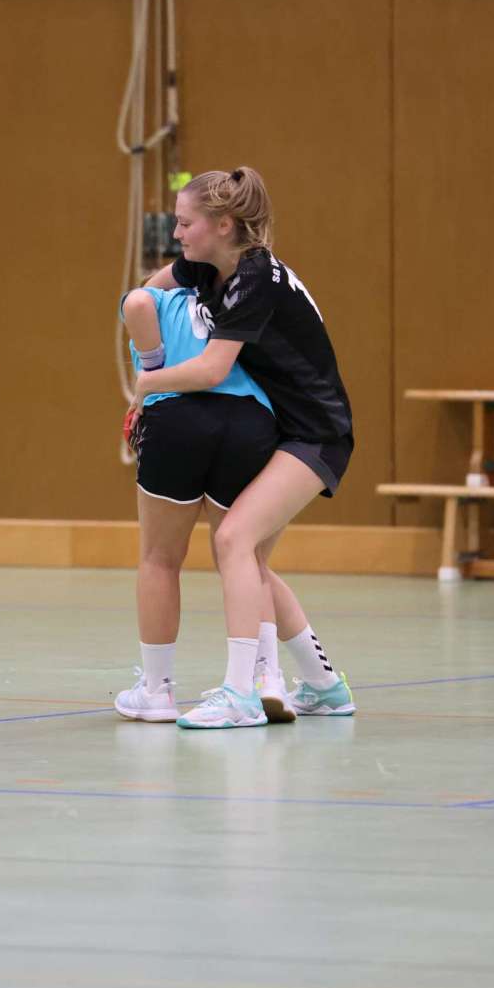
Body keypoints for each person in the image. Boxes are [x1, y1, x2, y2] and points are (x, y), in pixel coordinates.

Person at [136, 168, 353, 729]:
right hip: (285, 428)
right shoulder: (208, 263)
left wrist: (145, 384)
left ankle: (242, 695)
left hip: (316, 434)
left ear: (224, 225)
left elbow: (213, 369)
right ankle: (325, 685)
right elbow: (145, 296)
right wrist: (146, 327)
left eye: (185, 223)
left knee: (234, 540)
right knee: (250, 558)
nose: (176, 234)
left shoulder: (255, 277)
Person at [115, 281, 329, 724]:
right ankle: (266, 678)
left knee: (159, 559)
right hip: (249, 419)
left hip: (175, 415)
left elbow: (136, 301)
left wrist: (149, 371)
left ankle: (156, 690)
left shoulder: (160, 300)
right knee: (246, 557)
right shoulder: (240, 304)